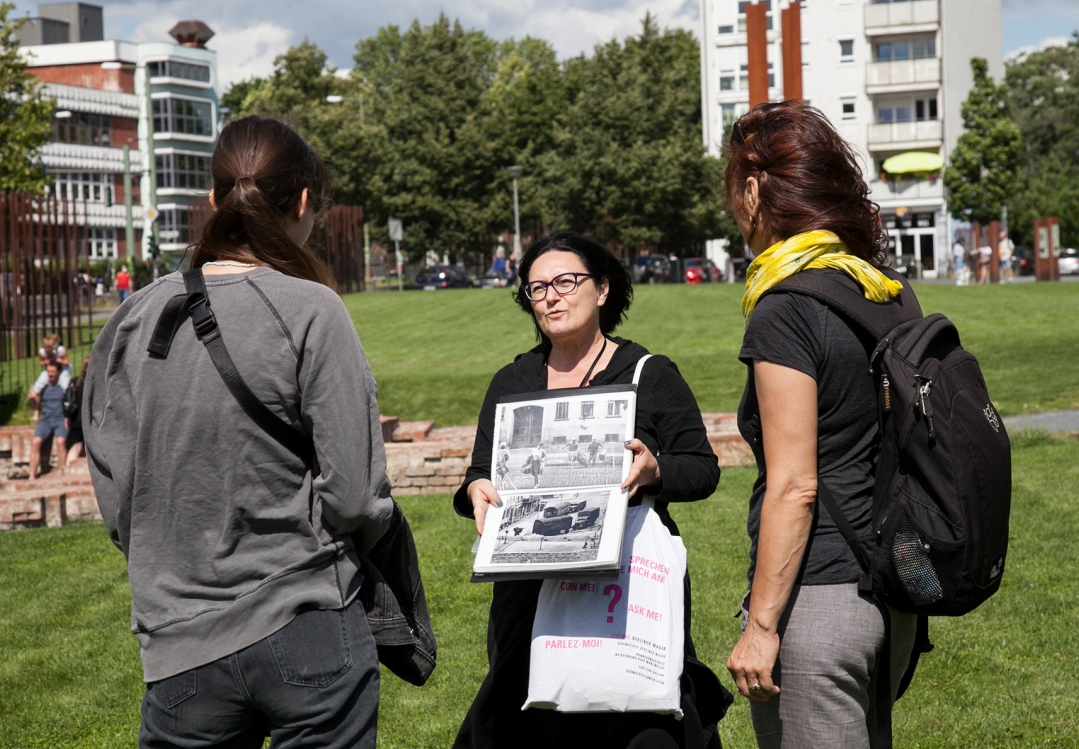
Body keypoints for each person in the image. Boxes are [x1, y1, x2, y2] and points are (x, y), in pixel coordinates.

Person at [83, 116, 395, 748]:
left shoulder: (134, 317)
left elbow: (118, 498)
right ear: (305, 202)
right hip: (307, 616)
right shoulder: (313, 309)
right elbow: (356, 496)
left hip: (178, 640)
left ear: (211, 200)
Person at [453, 232, 728, 749]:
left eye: (565, 281)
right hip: (528, 591)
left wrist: (654, 470)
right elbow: (479, 472)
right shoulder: (513, 381)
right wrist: (477, 490)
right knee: (537, 723)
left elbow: (703, 468)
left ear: (602, 290)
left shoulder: (650, 373)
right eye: (537, 289)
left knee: (637, 723)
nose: (551, 296)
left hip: (626, 582)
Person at [723, 102, 918, 749]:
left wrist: (763, 626)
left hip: (820, 604)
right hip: (889, 593)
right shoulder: (882, 290)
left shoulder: (785, 311)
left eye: (732, 186)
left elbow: (794, 485)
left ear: (754, 191)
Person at [29, 361, 68, 481]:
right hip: (46, 419)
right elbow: (35, 406)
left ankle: (63, 473)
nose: (50, 374)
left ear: (58, 373)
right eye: (48, 371)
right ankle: (32, 476)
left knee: (61, 442)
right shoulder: (43, 386)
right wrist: (32, 398)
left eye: (53, 372)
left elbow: (69, 404)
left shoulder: (63, 387)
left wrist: (68, 418)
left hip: (60, 418)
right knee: (35, 442)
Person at [64, 357, 89, 465]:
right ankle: (69, 468)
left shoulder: (75, 382)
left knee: (76, 446)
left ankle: (68, 467)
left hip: (76, 420)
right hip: (89, 420)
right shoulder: (92, 383)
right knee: (80, 447)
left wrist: (67, 417)